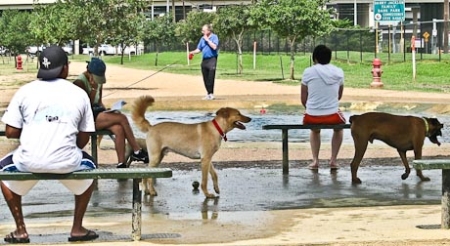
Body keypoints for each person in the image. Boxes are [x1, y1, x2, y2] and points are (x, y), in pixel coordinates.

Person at [0, 46, 99, 243]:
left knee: (3, 171)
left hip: (29, 161)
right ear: (65, 68)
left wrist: (33, 128)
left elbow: (10, 132)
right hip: (67, 162)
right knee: (92, 168)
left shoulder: (25, 91)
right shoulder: (79, 94)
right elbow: (83, 139)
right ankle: (77, 228)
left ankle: (20, 230)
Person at [73, 58, 148, 168]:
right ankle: (137, 150)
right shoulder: (80, 82)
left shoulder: (98, 82)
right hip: (86, 118)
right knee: (122, 118)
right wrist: (93, 89)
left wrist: (108, 111)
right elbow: (85, 106)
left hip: (97, 113)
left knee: (118, 128)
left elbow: (98, 102)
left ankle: (121, 163)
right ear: (89, 73)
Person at [301, 45, 345, 170]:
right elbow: (339, 96)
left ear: (314, 58)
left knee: (315, 130)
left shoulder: (308, 72)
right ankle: (333, 160)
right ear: (330, 58)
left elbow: (303, 98)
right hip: (333, 116)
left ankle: (315, 160)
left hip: (312, 116)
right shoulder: (338, 72)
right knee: (339, 129)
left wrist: (312, 108)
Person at [189, 24, 219, 100]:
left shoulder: (214, 37)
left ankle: (211, 94)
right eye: (202, 30)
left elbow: (214, 47)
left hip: (212, 59)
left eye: (204, 30)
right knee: (205, 77)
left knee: (211, 76)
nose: (202, 32)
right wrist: (192, 52)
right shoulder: (202, 39)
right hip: (204, 60)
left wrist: (207, 40)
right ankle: (208, 93)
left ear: (209, 30)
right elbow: (199, 49)